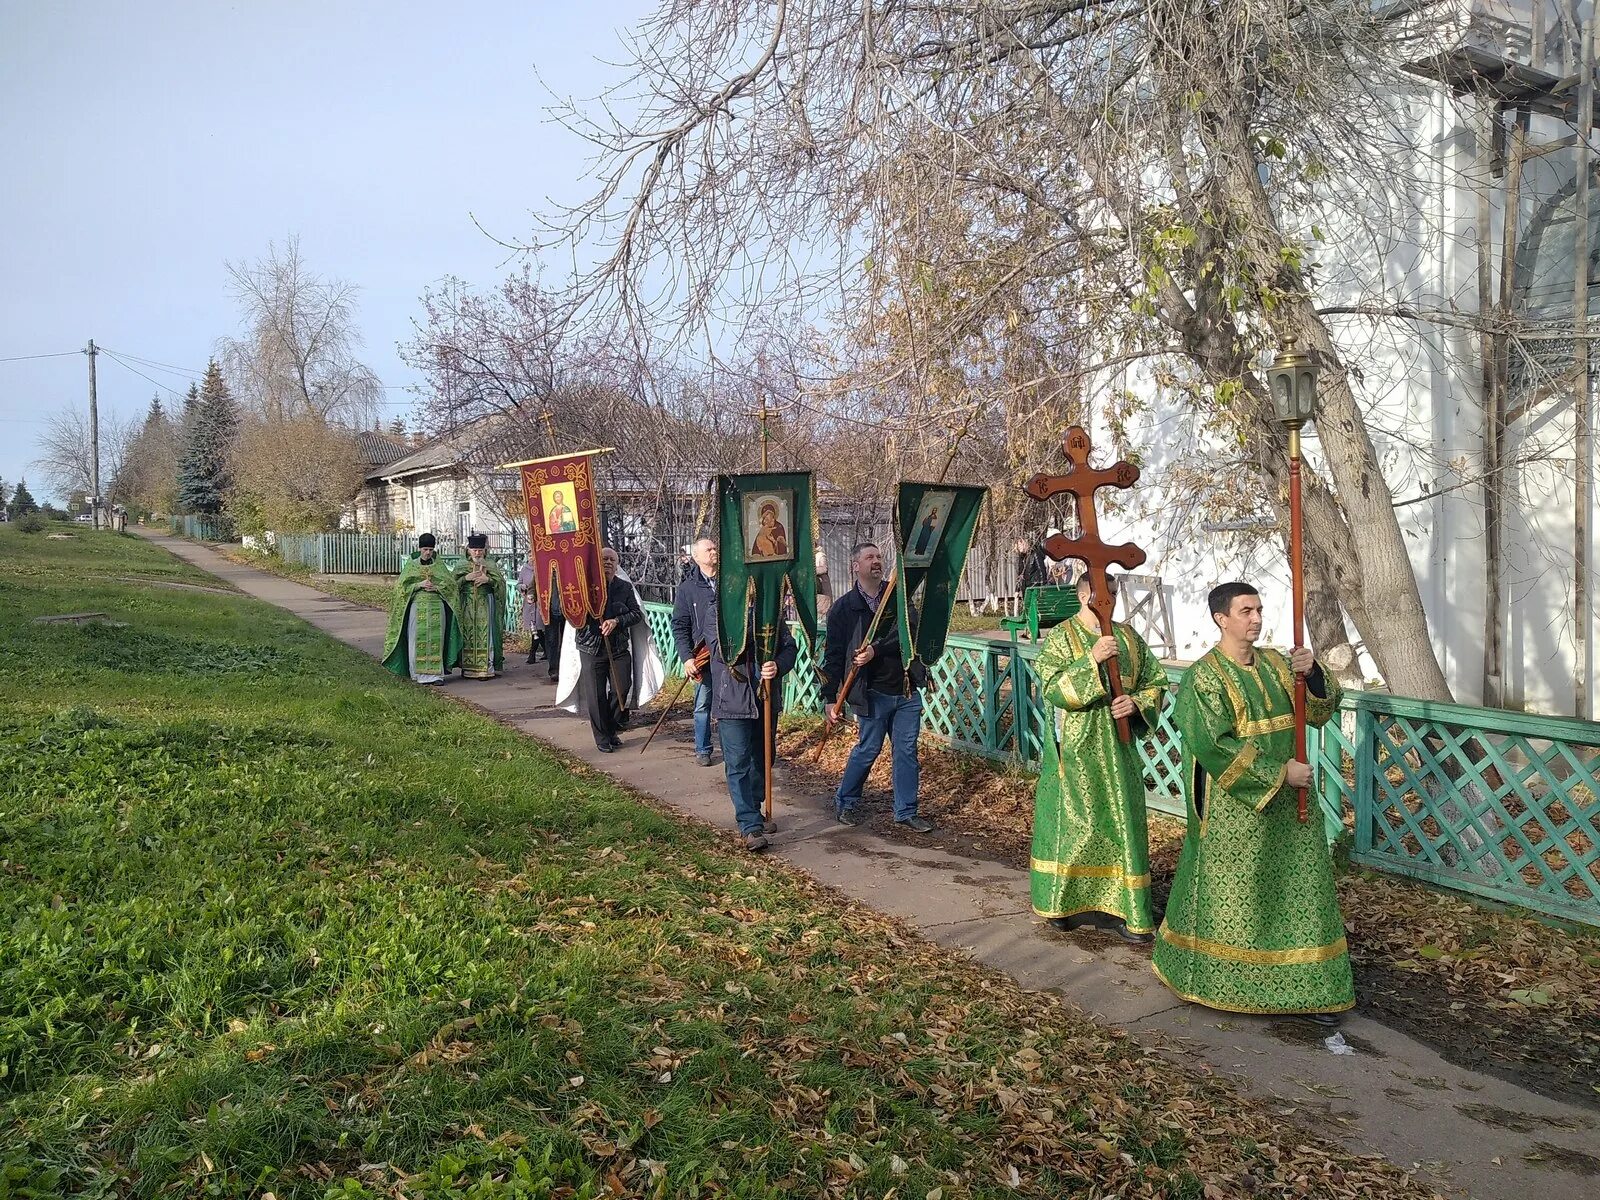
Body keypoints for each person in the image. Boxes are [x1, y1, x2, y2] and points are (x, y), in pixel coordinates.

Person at [1151, 581, 1352, 1025]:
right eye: (1246, 611)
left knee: (1299, 889)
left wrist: (1313, 671)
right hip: (1234, 807)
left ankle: (1309, 988)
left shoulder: (1280, 664)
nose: (1256, 618)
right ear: (1222, 618)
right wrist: (1279, 774)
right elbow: (1212, 744)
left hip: (1291, 803)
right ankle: (1219, 978)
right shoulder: (1203, 676)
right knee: (1239, 895)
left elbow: (1319, 711)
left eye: (1259, 609)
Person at [1030, 573, 1168, 942]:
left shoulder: (1129, 638)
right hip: (1075, 749)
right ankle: (1064, 904)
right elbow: (1051, 687)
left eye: (1113, 594)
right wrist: (1090, 660)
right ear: (1083, 595)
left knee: (1119, 822)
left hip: (1118, 748)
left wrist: (1136, 703)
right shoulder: (1062, 636)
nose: (1109, 602)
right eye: (1101, 594)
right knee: (1077, 824)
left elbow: (1156, 682)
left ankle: (1126, 908)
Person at [822, 541, 933, 833]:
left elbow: (909, 633)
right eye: (869, 557)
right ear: (855, 566)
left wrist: (876, 650)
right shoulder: (844, 608)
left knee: (906, 751)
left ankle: (906, 811)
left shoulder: (897, 596)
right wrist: (828, 698)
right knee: (868, 749)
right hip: (870, 692)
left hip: (906, 688)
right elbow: (833, 656)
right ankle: (845, 801)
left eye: (879, 557)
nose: (876, 561)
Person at [706, 592, 798, 852]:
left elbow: (789, 646)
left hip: (766, 697)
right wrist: (754, 633)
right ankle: (749, 825)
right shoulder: (717, 611)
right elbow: (720, 650)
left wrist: (777, 665)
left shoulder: (770, 609)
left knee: (764, 757)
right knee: (738, 763)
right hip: (733, 700)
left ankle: (755, 809)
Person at [572, 547, 643, 751]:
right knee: (596, 695)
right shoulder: (585, 587)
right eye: (604, 559)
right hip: (591, 647)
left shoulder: (624, 587)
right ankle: (602, 737)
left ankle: (611, 727)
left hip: (618, 647)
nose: (608, 563)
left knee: (621, 689)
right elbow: (574, 613)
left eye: (612, 559)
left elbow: (636, 614)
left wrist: (617, 621)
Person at [381, 533, 462, 684]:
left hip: (437, 606)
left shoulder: (439, 566)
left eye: (431, 549)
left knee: (437, 640)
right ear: (419, 548)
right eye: (425, 549)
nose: (428, 553)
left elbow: (451, 586)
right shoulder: (411, 566)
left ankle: (436, 676)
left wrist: (437, 588)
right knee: (416, 639)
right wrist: (418, 585)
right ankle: (418, 674)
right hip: (417, 607)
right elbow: (400, 588)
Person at [670, 536, 720, 766]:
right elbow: (679, 625)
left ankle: (734, 748)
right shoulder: (688, 589)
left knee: (729, 704)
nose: (713, 552)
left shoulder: (729, 581)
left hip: (729, 654)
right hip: (703, 655)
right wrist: (687, 658)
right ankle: (703, 748)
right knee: (702, 704)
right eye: (708, 549)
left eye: (714, 548)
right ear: (697, 557)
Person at [451, 533, 507, 679]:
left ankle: (485, 668)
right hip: (467, 603)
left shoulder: (490, 564)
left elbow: (501, 584)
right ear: (468, 550)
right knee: (468, 635)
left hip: (485, 603)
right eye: (474, 550)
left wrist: (488, 580)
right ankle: (468, 668)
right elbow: (450, 585)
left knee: (486, 635)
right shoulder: (461, 565)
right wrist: (465, 578)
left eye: (480, 550)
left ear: (484, 550)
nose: (477, 553)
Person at [516, 558, 547, 665]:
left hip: (540, 602)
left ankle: (532, 654)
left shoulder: (542, 567)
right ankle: (546, 650)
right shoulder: (525, 569)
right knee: (535, 629)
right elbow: (518, 583)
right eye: (530, 555)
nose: (532, 558)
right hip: (529, 603)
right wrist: (522, 587)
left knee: (537, 628)